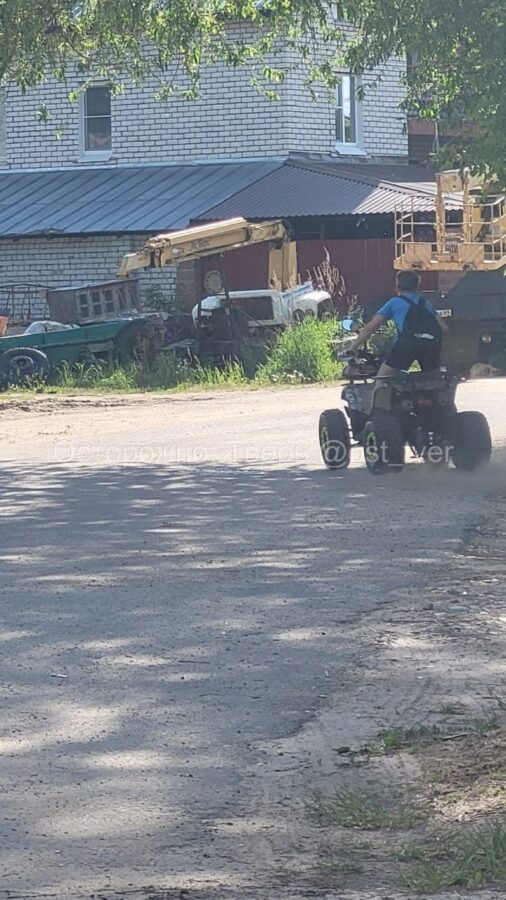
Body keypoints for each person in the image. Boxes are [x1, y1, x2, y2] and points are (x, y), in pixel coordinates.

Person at [350, 270, 448, 377]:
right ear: (417, 287)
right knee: (432, 379)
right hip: (430, 345)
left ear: (397, 287)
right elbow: (444, 328)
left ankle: (377, 393)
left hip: (407, 344)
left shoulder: (395, 302)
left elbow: (371, 327)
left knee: (383, 378)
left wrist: (353, 348)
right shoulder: (426, 304)